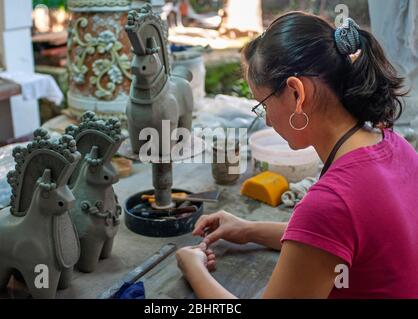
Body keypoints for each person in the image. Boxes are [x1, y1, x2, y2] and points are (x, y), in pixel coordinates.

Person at [175, 12, 418, 299]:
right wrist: (249, 229)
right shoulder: (393, 143)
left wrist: (194, 269)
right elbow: (332, 240)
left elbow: (329, 222)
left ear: (296, 93)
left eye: (263, 104)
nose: (267, 121)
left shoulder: (330, 203)